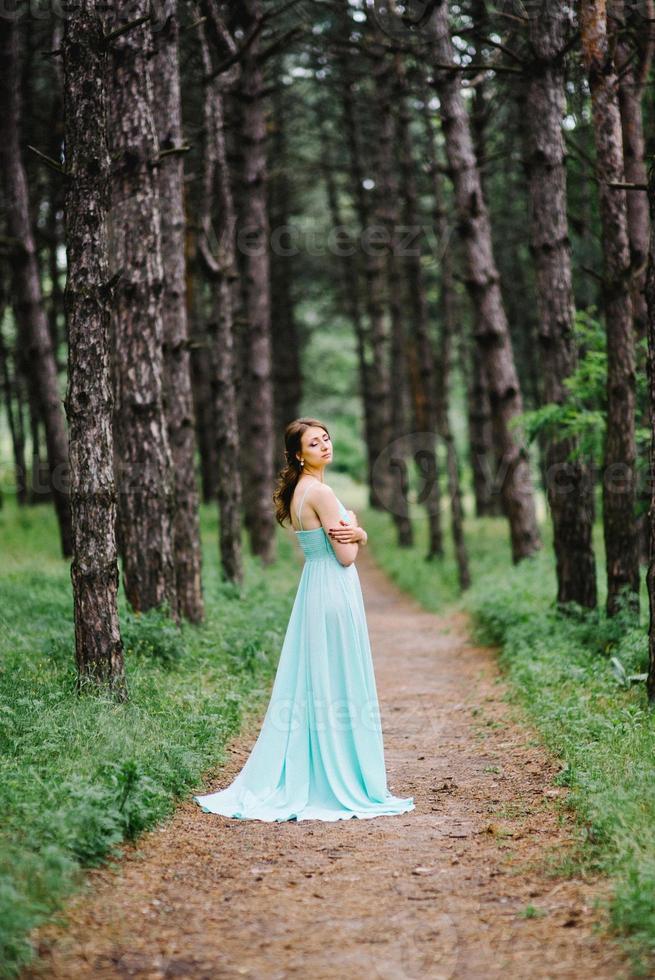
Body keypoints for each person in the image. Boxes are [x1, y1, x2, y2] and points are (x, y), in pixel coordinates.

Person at [193, 417, 415, 822]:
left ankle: (315, 769)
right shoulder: (323, 493)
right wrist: (360, 532)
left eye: (326, 438)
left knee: (316, 679)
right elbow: (346, 556)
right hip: (334, 587)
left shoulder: (299, 491)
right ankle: (337, 776)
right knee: (337, 677)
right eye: (315, 443)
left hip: (314, 587)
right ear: (299, 454)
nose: (325, 445)